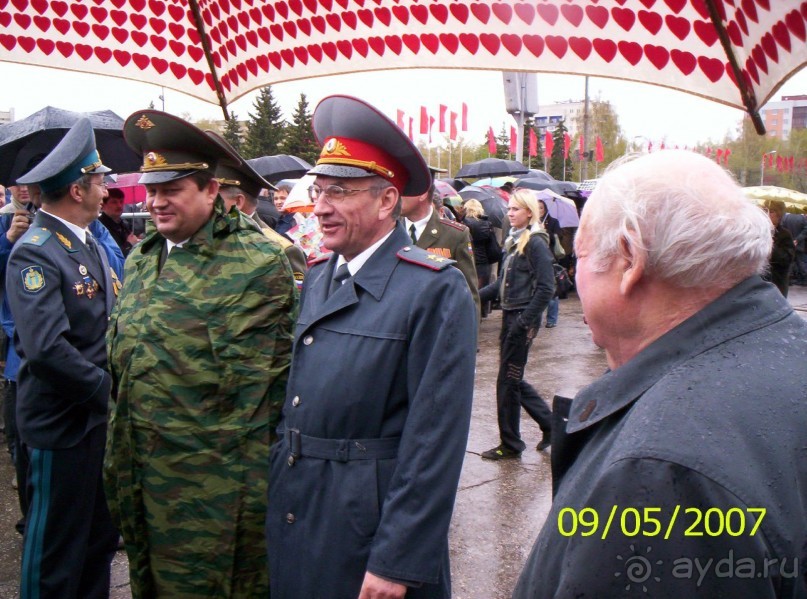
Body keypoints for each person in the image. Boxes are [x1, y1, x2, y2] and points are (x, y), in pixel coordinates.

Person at [513, 150, 807, 598]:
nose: (574, 275)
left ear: (630, 259)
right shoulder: (786, 349)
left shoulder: (658, 471)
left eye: (582, 257)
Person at [266, 95, 477, 599]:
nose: (319, 207)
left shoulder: (433, 289)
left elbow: (434, 444)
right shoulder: (319, 276)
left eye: (339, 191)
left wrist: (397, 561)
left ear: (386, 202)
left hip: (367, 531)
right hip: (301, 510)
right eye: (319, 190)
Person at [103, 110, 298, 598]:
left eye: (172, 190)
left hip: (215, 488)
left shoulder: (259, 260)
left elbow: (273, 383)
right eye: (152, 190)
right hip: (142, 474)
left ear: (212, 190)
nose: (156, 203)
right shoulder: (143, 257)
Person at [5, 118, 119, 599]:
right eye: (99, 181)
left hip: (93, 423)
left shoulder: (85, 241)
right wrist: (107, 393)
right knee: (53, 553)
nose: (105, 189)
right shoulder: (36, 252)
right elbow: (47, 349)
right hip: (63, 424)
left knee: (96, 544)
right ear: (77, 189)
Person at [478, 190, 555, 460]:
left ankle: (510, 444)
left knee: (507, 383)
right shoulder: (515, 241)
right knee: (512, 380)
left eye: (515, 210)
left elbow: (547, 288)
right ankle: (551, 425)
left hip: (521, 320)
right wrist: (473, 296)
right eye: (509, 209)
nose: (509, 213)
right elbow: (500, 285)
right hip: (511, 317)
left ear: (529, 213)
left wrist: (524, 322)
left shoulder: (535, 243)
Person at [211, 142, 307, 290]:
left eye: (215, 197)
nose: (208, 202)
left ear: (238, 202)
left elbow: (296, 307)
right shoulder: (210, 238)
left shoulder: (281, 249)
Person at [401, 179, 480, 317]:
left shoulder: (455, 234)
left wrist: (467, 334)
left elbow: (468, 292)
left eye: (403, 191)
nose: (396, 196)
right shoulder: (388, 230)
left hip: (437, 324)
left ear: (422, 194)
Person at [456, 198, 498, 317]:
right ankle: (480, 314)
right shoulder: (487, 223)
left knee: (469, 290)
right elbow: (491, 244)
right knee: (480, 293)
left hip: (469, 260)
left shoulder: (464, 224)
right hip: (483, 263)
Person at [761, 199, 796, 296]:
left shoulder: (785, 234)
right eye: (765, 210)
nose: (767, 214)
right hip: (759, 283)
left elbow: (786, 260)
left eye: (771, 211)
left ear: (779, 215)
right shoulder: (758, 232)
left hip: (776, 284)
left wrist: (772, 245)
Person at [537, 198, 562, 327]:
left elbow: (558, 238)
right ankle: (537, 319)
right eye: (537, 208)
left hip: (550, 257)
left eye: (541, 208)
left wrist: (545, 231)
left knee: (552, 290)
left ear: (545, 209)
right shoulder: (532, 222)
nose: (539, 210)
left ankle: (551, 319)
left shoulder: (553, 222)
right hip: (536, 259)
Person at [99, 187, 138, 257]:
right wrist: (129, 244)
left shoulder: (123, 225)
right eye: (114, 202)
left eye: (121, 201)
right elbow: (110, 256)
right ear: (103, 205)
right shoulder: (100, 228)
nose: (119, 205)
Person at [781, 210, 807, 285]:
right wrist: (797, 240)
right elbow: (805, 230)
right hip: (799, 244)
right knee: (800, 262)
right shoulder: (802, 218)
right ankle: (804, 279)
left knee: (790, 262)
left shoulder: (786, 217)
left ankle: (788, 279)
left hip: (789, 243)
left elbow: (783, 227)